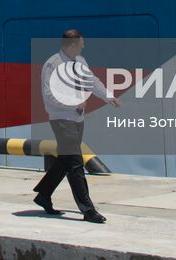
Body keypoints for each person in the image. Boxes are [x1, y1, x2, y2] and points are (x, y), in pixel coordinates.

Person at [32, 29, 119, 223]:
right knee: (75, 163)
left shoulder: (80, 61)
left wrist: (108, 96)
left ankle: (43, 194)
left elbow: (91, 81)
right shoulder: (52, 65)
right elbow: (49, 95)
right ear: (71, 45)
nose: (84, 46)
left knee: (66, 160)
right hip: (61, 119)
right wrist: (72, 103)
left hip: (78, 118)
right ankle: (88, 210)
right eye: (81, 43)